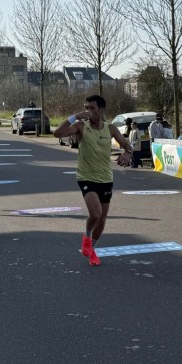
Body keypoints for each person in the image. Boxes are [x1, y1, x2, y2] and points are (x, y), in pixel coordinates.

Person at [53, 95, 133, 266]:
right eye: (86, 108)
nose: (88, 111)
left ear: (101, 110)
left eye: (92, 108)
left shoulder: (110, 129)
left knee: (102, 219)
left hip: (106, 178)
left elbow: (127, 146)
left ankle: (92, 249)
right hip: (86, 177)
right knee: (95, 214)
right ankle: (87, 237)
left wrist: (127, 154)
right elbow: (57, 133)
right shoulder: (81, 126)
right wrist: (75, 117)